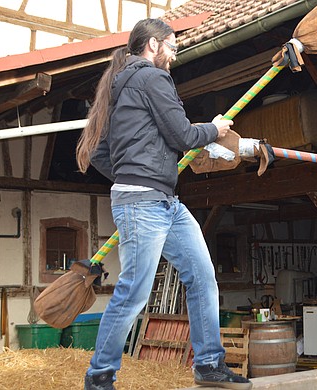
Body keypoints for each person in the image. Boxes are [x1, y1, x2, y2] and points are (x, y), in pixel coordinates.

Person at [76, 18, 252, 390]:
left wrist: (131, 174)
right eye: (171, 46)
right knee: (135, 291)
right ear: (153, 45)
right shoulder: (153, 78)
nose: (174, 54)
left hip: (164, 202)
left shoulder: (119, 87)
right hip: (144, 204)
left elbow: (100, 153)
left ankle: (208, 364)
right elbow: (183, 134)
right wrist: (216, 129)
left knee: (203, 277)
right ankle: (99, 375)